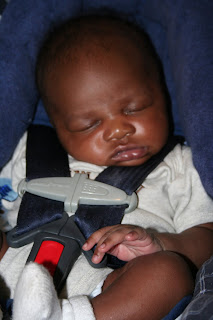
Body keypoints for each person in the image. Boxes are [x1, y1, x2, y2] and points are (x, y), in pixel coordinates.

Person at [0, 15, 213, 320]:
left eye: (134, 108)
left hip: (105, 291)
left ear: (163, 95)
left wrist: (161, 243)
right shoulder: (28, 152)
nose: (118, 130)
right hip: (8, 276)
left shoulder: (180, 164)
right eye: (89, 124)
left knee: (168, 273)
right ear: (58, 126)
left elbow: (207, 237)